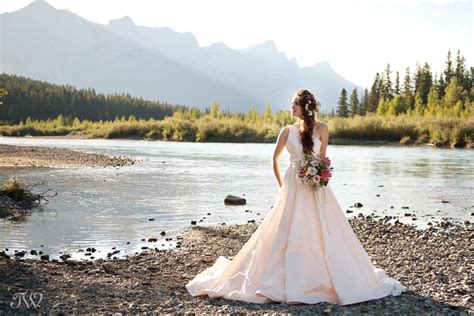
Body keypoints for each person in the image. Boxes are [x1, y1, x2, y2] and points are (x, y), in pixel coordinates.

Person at [185, 89, 407, 305]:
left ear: (306, 108)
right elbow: (274, 160)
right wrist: (283, 186)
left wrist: (319, 175)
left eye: (295, 104)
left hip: (316, 187)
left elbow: (323, 159)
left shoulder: (322, 129)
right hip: (293, 184)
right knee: (284, 228)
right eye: (292, 104)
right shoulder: (287, 131)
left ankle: (320, 275)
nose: (291, 107)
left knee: (320, 229)